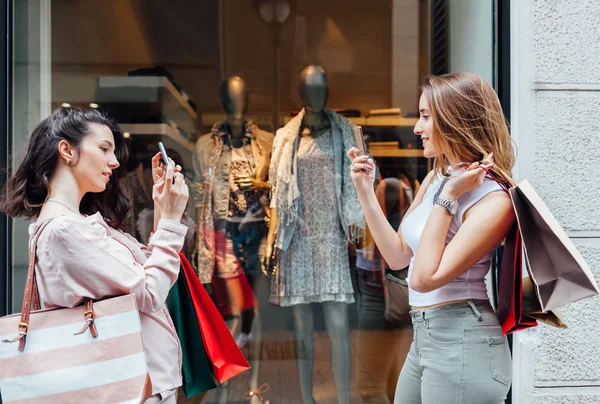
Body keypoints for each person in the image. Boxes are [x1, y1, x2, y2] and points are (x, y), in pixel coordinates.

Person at [1, 107, 189, 404]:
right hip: (129, 389)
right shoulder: (65, 231)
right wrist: (170, 220)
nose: (114, 162)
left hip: (137, 383)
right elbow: (151, 294)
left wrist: (162, 209)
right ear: (67, 150)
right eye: (104, 148)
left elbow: (143, 275)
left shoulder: (76, 222)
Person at [348, 72, 516, 404]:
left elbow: (425, 279)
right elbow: (398, 258)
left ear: (456, 120)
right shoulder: (437, 178)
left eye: (426, 116)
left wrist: (448, 198)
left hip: (464, 341)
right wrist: (365, 192)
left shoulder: (495, 200)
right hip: (425, 336)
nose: (417, 127)